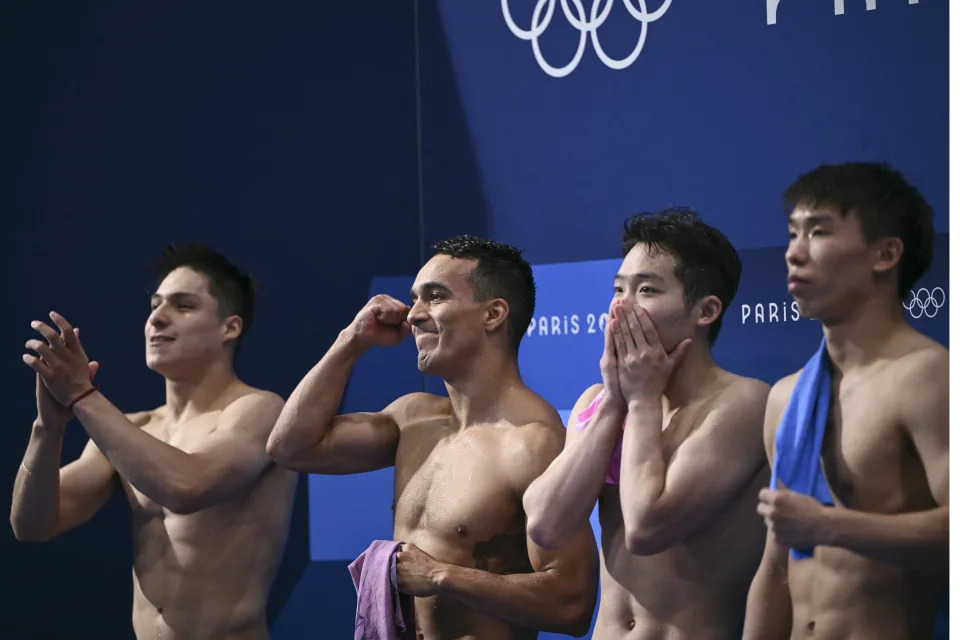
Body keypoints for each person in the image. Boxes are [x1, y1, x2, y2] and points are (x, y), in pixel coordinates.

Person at [267, 235, 598, 639]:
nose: (413, 315)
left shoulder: (531, 443)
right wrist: (351, 340)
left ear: (493, 314)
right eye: (415, 298)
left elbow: (572, 605)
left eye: (435, 297)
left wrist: (441, 575)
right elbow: (291, 447)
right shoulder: (413, 419)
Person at [11, 244, 297, 640]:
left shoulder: (260, 411)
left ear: (229, 327)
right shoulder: (134, 429)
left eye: (183, 306)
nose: (156, 319)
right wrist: (48, 428)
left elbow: (186, 486)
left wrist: (82, 397)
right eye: (154, 305)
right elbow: (32, 525)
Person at [523, 208, 770, 639]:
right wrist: (615, 401)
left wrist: (641, 401)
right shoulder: (599, 402)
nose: (621, 306)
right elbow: (546, 526)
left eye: (646, 290)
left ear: (706, 310)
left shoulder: (743, 402)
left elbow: (646, 526)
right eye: (618, 289)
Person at [743, 162, 948, 639]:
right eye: (792, 233)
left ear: (885, 253)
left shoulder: (926, 375)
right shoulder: (788, 396)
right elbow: (774, 570)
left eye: (818, 232)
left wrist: (831, 527)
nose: (794, 253)